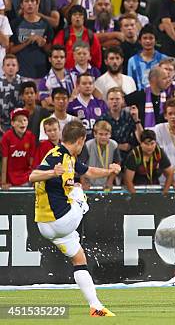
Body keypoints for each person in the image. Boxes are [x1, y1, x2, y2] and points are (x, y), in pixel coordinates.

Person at [30, 121, 120, 316]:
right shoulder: (56, 156)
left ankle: (96, 307)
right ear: (80, 141)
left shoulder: (69, 157)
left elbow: (89, 171)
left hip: (48, 226)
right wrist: (51, 173)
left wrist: (110, 171)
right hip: (59, 220)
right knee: (78, 191)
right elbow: (33, 176)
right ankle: (82, 204)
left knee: (79, 259)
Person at [9, 0, 54, 80]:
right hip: (20, 73)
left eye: (32, 1)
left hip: (42, 73)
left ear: (37, 4)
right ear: (21, 5)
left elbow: (50, 51)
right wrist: (26, 42)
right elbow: (10, 51)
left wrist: (43, 44)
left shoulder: (45, 24)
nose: (29, 4)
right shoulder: (15, 24)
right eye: (26, 1)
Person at [152, 98, 175, 191]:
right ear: (165, 116)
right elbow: (156, 158)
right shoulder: (158, 130)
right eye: (170, 114)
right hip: (164, 183)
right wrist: (172, 181)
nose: (173, 117)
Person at [123, 129, 174, 193]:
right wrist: (135, 198)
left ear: (155, 143)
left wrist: (164, 193)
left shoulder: (158, 152)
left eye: (152, 143)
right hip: (136, 188)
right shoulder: (135, 155)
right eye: (146, 144)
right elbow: (128, 180)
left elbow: (170, 173)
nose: (149, 147)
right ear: (141, 143)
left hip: (154, 187)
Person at [52, 5, 102, 69]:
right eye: (74, 15)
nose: (77, 17)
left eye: (80, 15)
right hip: (67, 74)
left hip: (86, 75)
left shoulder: (91, 35)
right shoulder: (63, 34)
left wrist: (93, 72)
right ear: (70, 18)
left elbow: (96, 58)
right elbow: (56, 54)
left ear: (84, 18)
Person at [100, 87, 142, 160]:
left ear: (123, 100)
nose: (114, 101)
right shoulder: (102, 119)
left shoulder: (130, 117)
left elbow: (141, 139)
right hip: (109, 158)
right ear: (107, 101)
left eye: (117, 99)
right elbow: (99, 142)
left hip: (130, 158)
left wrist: (136, 120)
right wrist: (119, 146)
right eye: (111, 99)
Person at [78, 120, 120, 190]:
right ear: (95, 134)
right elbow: (81, 164)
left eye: (106, 134)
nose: (103, 137)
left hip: (106, 182)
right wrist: (83, 182)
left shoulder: (114, 145)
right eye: (100, 134)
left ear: (110, 134)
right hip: (89, 182)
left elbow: (117, 164)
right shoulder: (88, 145)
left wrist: (110, 181)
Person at [67, 73, 109, 138]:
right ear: (77, 86)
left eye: (90, 83)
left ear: (94, 86)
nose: (88, 86)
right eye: (84, 83)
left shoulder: (101, 104)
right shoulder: (71, 106)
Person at [1, 108, 35, 188]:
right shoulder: (7, 137)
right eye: (19, 121)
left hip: (26, 176)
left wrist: (34, 179)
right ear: (12, 123)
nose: (22, 123)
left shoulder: (30, 136)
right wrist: (3, 182)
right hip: (11, 177)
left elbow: (32, 160)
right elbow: (4, 160)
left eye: (24, 120)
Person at [127, 25, 168, 90]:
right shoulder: (132, 61)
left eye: (151, 38)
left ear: (156, 41)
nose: (148, 41)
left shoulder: (164, 59)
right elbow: (130, 84)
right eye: (145, 38)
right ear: (140, 41)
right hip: (139, 97)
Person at [0, 54, 23, 133]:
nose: (11, 67)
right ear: (3, 68)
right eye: (8, 65)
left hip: (20, 122)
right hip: (2, 122)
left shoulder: (23, 82)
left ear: (18, 67)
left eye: (13, 65)